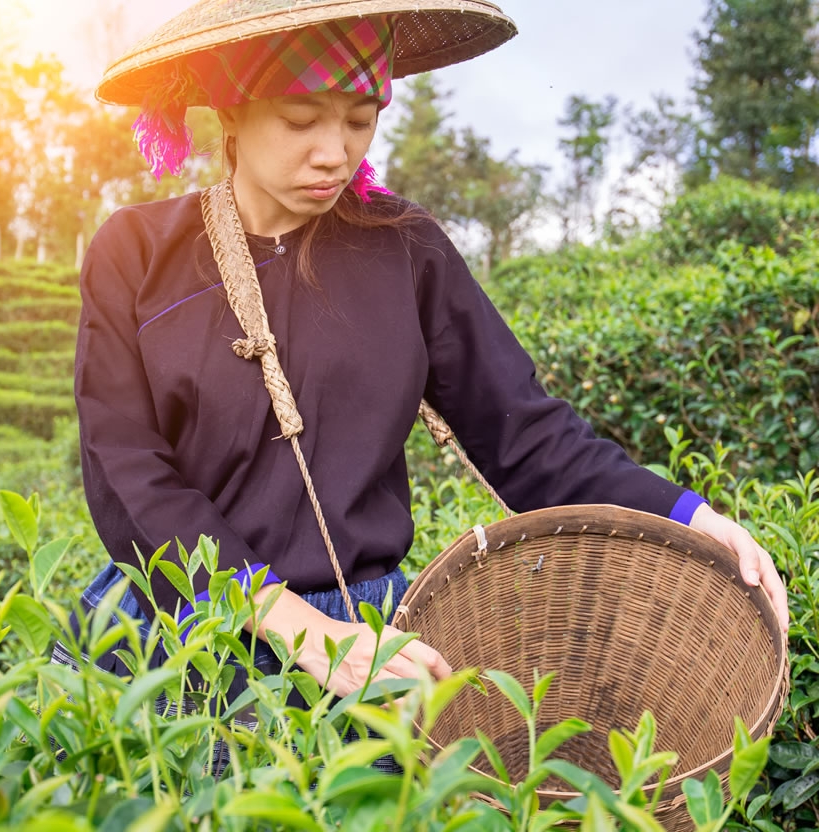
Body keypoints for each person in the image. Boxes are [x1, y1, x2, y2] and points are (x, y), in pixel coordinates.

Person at [54, 0, 788, 705]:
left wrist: (690, 516)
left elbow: (525, 434)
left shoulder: (403, 248)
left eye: (360, 120)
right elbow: (128, 474)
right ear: (233, 113)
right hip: (178, 628)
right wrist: (292, 624)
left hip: (366, 633)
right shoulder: (138, 254)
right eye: (301, 119)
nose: (334, 152)